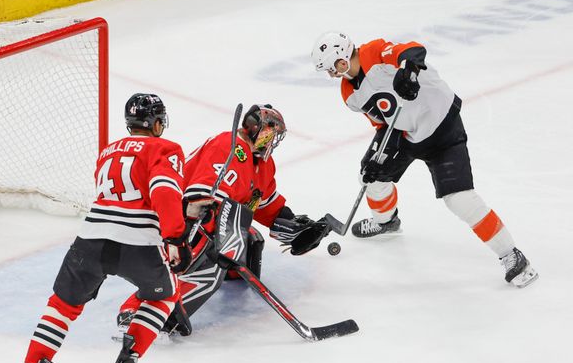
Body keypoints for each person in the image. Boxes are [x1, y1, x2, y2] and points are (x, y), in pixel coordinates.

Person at [310, 31, 538, 288]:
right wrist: (378, 158)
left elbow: (413, 50)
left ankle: (511, 254)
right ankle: (386, 222)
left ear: (340, 61)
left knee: (459, 199)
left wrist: (408, 70)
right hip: (407, 134)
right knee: (370, 176)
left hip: (443, 127)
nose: (331, 75)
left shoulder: (373, 52)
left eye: (330, 69)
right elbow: (382, 124)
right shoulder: (348, 93)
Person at [1, 93, 191, 363]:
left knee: (62, 305)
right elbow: (164, 191)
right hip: (138, 242)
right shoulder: (165, 148)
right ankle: (127, 362)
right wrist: (175, 237)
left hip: (91, 238)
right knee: (166, 295)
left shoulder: (108, 152)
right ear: (157, 124)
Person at [116, 104, 330, 336]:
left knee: (251, 241)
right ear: (255, 129)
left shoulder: (263, 164)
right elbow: (200, 200)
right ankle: (137, 310)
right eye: (270, 133)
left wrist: (296, 228)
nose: (272, 141)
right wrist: (214, 242)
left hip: (209, 218)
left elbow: (265, 205)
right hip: (178, 217)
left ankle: (217, 268)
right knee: (207, 267)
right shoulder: (227, 146)